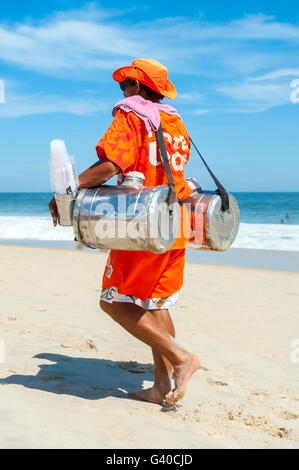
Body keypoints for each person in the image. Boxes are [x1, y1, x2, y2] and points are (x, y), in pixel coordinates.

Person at [49, 58, 200, 406]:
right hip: (174, 221)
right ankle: (161, 386)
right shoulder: (174, 121)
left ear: (137, 86)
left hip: (142, 222)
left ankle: (182, 358)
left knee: (113, 302)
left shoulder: (132, 114)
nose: (123, 92)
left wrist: (67, 190)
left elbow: (112, 164)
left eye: (125, 85)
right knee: (156, 303)